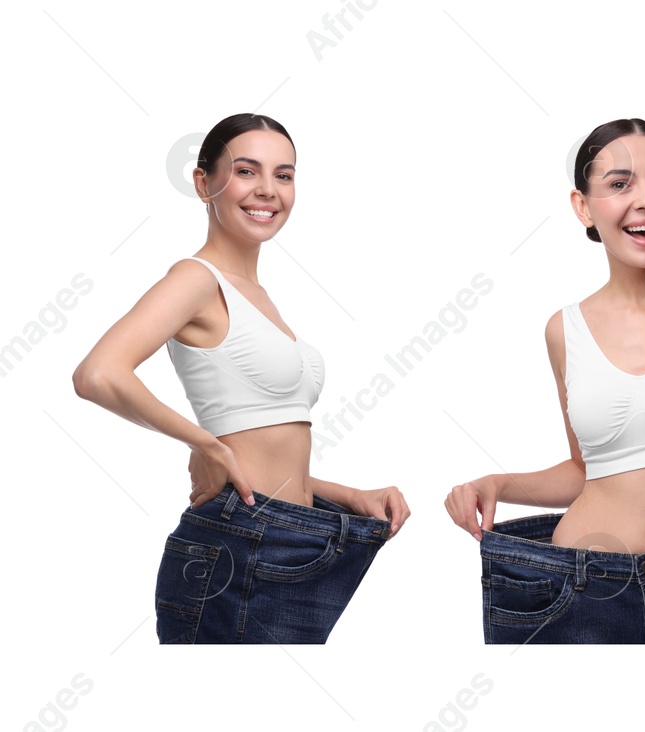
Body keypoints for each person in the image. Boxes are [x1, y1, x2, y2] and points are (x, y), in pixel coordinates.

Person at [73, 113, 409, 643]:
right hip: (239, 543)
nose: (268, 191)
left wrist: (345, 493)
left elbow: (257, 447)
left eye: (284, 174)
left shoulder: (259, 297)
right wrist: (204, 443)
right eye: (247, 171)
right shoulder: (195, 279)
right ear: (204, 183)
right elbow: (96, 373)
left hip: (293, 535)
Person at [444, 118, 645, 644]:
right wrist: (498, 485)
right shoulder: (564, 330)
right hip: (576, 589)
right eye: (620, 184)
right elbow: (585, 470)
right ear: (583, 206)